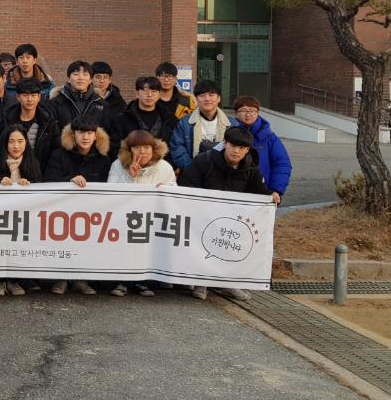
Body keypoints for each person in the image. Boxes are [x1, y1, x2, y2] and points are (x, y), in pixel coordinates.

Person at [180, 126, 281, 301]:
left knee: (236, 242)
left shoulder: (251, 169)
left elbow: (258, 192)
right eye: (233, 145)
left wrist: (271, 196)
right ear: (225, 143)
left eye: (242, 148)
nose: (236, 151)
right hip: (202, 216)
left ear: (247, 150)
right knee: (202, 242)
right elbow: (187, 185)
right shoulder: (204, 161)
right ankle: (200, 281)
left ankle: (229, 281)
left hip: (232, 220)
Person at [43, 115, 111, 296]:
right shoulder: (59, 154)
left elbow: (108, 186)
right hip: (62, 212)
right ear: (73, 134)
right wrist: (69, 180)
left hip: (91, 213)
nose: (85, 137)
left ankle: (82, 280)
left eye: (89, 133)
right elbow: (49, 181)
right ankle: (61, 279)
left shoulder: (103, 159)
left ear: (96, 136)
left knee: (88, 245)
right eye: (81, 132)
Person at [106, 129, 177, 297]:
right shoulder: (118, 165)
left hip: (152, 218)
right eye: (137, 147)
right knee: (125, 248)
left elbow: (174, 189)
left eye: (146, 147)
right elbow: (110, 190)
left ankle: (144, 282)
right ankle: (122, 281)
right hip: (125, 217)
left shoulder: (164, 166)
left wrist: (166, 189)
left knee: (148, 250)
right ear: (130, 150)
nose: (142, 151)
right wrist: (130, 177)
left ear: (153, 148)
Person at [0, 124, 41, 296]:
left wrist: (28, 183)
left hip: (22, 219)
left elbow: (41, 188)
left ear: (26, 143)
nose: (16, 146)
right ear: (5, 143)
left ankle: (14, 281)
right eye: (11, 141)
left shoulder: (32, 162)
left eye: (20, 141)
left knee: (18, 246)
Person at [230, 96, 292, 197]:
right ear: (236, 113)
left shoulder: (270, 137)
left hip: (263, 191)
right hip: (232, 191)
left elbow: (282, 164)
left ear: (258, 113)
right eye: (243, 110)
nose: (248, 114)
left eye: (252, 110)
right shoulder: (229, 134)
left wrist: (275, 190)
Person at [168, 79, 231, 172]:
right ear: (196, 99)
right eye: (202, 95)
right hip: (192, 172)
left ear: (219, 98)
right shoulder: (185, 122)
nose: (207, 99)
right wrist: (193, 169)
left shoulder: (231, 124)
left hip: (223, 173)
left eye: (211, 95)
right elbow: (177, 148)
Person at [4, 78, 60, 174]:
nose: (29, 99)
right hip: (12, 174)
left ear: (39, 97)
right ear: (18, 97)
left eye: (33, 95)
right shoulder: (7, 120)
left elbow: (56, 151)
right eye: (25, 95)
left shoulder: (48, 122)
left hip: (41, 175)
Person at [110, 76, 178, 156]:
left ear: (159, 95)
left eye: (154, 91)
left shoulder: (170, 119)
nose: (149, 95)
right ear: (137, 94)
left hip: (161, 162)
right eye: (145, 91)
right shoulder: (121, 120)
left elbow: (175, 146)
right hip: (131, 162)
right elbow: (115, 148)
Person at [48, 60, 108, 130]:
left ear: (90, 80)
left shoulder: (101, 103)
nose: (80, 78)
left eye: (85, 74)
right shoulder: (55, 103)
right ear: (68, 79)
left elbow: (106, 131)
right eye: (76, 74)